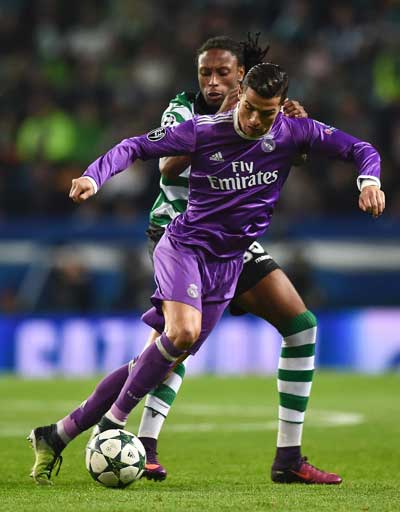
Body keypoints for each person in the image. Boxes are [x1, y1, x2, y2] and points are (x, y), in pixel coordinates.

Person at [29, 62, 384, 487]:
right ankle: (112, 424)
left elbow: (362, 149)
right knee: (182, 334)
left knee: (161, 358)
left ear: (279, 110)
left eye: (266, 114)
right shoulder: (204, 129)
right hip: (184, 247)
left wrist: (368, 181)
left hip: (230, 263)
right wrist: (93, 175)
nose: (254, 121)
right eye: (249, 108)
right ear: (242, 94)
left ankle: (58, 433)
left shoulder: (293, 131)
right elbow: (134, 147)